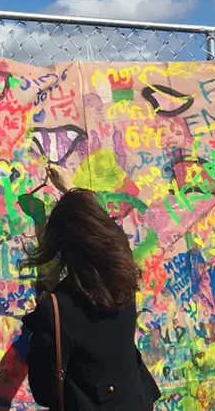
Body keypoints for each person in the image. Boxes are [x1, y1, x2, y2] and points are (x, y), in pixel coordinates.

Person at [21, 167, 161, 411]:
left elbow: (45, 392)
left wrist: (38, 325)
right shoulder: (123, 278)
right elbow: (112, 236)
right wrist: (71, 190)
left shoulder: (57, 309)